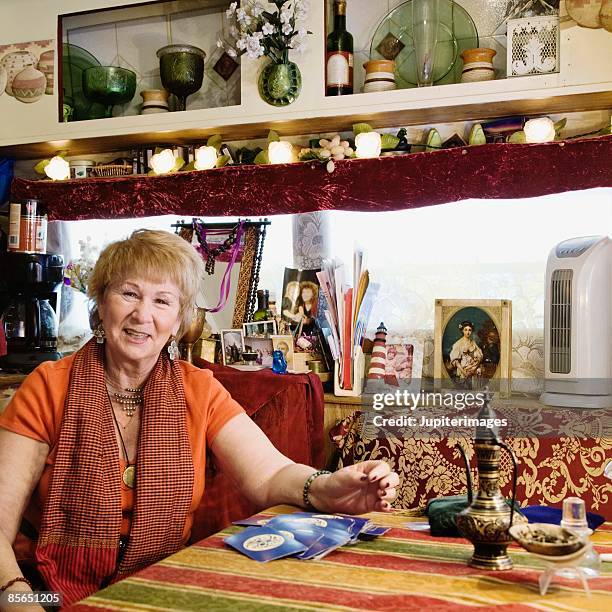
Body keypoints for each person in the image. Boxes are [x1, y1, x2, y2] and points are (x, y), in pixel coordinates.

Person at [0, 230, 399, 607]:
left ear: (178, 321)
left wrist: (328, 487)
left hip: (159, 589)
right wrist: (18, 600)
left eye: (162, 301)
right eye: (129, 293)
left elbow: (267, 474)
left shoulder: (198, 389)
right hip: (43, 591)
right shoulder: (48, 388)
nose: (143, 314)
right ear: (101, 304)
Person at [449, 320, 483, 385]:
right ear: (462, 331)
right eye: (466, 330)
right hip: (463, 370)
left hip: (473, 370)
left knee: (474, 388)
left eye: (469, 330)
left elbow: (479, 356)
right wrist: (465, 373)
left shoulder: (473, 343)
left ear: (472, 331)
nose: (468, 332)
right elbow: (456, 362)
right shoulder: (458, 343)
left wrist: (474, 368)